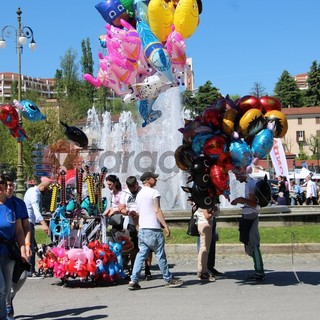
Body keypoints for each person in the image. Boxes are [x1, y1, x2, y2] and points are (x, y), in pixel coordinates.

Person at [128, 172, 183, 290]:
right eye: (154, 178)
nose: (156, 180)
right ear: (148, 180)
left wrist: (138, 226)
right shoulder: (154, 192)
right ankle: (168, 278)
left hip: (143, 229)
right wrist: (165, 225)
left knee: (141, 255)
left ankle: (134, 280)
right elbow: (157, 210)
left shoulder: (139, 194)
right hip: (153, 228)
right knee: (160, 254)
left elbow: (138, 213)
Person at [4, 173, 32, 319]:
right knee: (6, 279)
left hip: (18, 245)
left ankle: (10, 296)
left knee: (22, 275)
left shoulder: (18, 203)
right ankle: (7, 304)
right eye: (6, 185)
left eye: (11, 185)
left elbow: (26, 227)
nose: (9, 188)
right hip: (5, 247)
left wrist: (27, 244)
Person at [231, 171, 265, 281]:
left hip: (251, 215)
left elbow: (254, 203)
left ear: (244, 174)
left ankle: (259, 271)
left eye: (238, 176)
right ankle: (258, 270)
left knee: (253, 243)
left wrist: (240, 200)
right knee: (249, 242)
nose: (236, 179)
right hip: (248, 214)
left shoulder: (251, 185)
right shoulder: (248, 183)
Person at [118, 176, 153, 279]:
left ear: (137, 184)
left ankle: (147, 270)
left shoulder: (143, 190)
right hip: (131, 223)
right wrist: (128, 212)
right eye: (131, 188)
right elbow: (121, 207)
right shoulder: (125, 193)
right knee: (133, 248)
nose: (133, 190)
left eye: (134, 187)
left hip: (145, 222)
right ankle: (134, 270)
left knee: (148, 247)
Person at [24, 177, 51, 278]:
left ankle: (30, 269)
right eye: (47, 189)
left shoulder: (32, 191)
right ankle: (29, 270)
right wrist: (44, 224)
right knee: (31, 246)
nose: (47, 192)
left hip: (29, 221)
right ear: (43, 187)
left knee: (33, 246)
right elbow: (36, 211)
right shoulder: (34, 194)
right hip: (28, 222)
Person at [194, 206, 216, 281]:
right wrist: (213, 211)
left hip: (202, 223)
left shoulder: (200, 200)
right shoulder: (204, 202)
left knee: (204, 248)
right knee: (204, 249)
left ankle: (202, 270)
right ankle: (202, 271)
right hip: (205, 224)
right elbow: (207, 216)